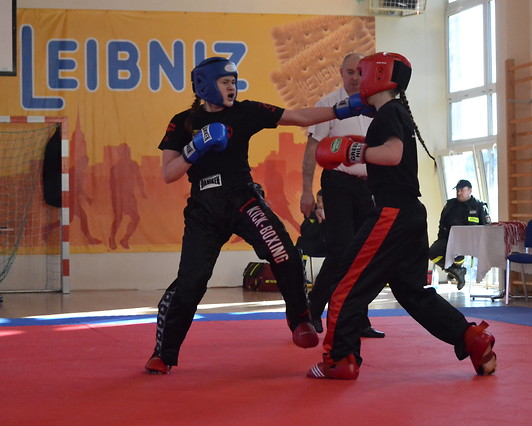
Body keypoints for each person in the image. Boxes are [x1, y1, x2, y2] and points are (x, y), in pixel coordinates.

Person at [145, 56, 372, 374]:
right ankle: (164, 353)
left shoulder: (246, 111)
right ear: (205, 85)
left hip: (243, 199)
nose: (232, 87)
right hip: (203, 208)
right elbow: (169, 173)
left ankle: (300, 319)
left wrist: (341, 110)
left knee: (284, 253)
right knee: (191, 283)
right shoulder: (183, 121)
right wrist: (196, 147)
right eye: (225, 82)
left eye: (234, 82)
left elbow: (299, 116)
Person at [305, 52, 497, 380]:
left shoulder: (389, 112)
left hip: (392, 212)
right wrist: (358, 151)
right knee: (411, 291)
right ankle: (471, 337)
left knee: (347, 283)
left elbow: (392, 155)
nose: (359, 79)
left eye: (363, 72)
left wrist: (353, 151)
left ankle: (340, 358)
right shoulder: (395, 112)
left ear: (378, 76)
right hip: (410, 214)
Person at [300, 52, 384, 339]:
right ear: (341, 73)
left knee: (364, 254)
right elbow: (312, 149)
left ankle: (358, 318)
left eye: (360, 72)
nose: (355, 78)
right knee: (341, 251)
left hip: (367, 186)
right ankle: (313, 309)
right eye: (350, 72)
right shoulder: (329, 105)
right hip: (336, 183)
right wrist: (306, 191)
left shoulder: (375, 107)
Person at [429, 179, 491, 290]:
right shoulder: (450, 205)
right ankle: (455, 271)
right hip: (449, 239)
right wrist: (440, 239)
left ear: (470, 190)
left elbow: (487, 228)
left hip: (470, 242)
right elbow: (442, 224)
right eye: (457, 190)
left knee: (458, 252)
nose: (459, 193)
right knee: (431, 252)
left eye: (462, 190)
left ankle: (455, 270)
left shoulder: (479, 206)